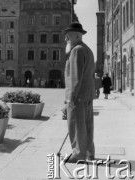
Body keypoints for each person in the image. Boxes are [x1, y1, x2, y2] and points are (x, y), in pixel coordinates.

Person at [63, 22, 95, 163]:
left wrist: (71, 97)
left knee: (76, 125)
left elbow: (76, 76)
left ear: (77, 35)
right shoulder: (88, 50)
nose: (66, 39)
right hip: (87, 94)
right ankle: (89, 152)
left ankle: (78, 154)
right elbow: (90, 75)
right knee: (87, 125)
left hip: (78, 95)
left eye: (68, 36)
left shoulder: (76, 50)